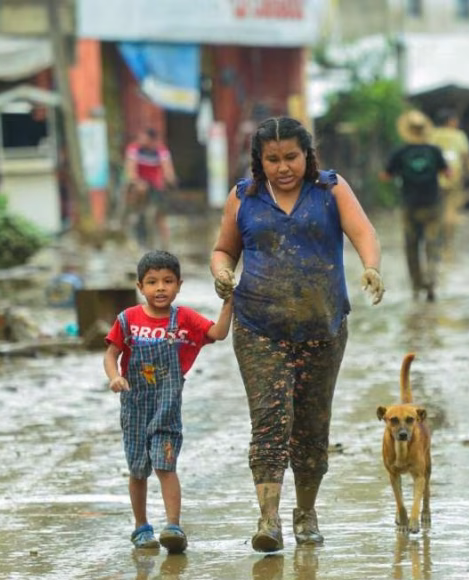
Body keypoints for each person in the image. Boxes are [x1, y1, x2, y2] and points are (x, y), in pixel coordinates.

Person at [209, 116, 384, 552]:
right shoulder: (243, 197)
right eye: (273, 159)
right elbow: (223, 249)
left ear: (307, 155)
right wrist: (222, 273)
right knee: (269, 422)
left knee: (310, 424)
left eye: (291, 157)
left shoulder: (330, 189)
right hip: (258, 326)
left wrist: (371, 267)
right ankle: (268, 520)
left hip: (323, 326)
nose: (283, 166)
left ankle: (306, 511)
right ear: (259, 161)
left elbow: (363, 231)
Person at [103, 250, 233, 552]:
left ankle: (173, 526)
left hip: (167, 409)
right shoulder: (127, 320)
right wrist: (114, 377)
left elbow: (218, 333)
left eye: (167, 281)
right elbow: (111, 355)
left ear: (179, 285)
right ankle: (141, 527)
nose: (160, 288)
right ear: (140, 287)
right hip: (134, 409)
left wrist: (229, 303)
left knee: (165, 465)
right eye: (152, 282)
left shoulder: (185, 318)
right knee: (138, 470)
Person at [381, 110, 448, 301]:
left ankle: (416, 286)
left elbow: (386, 175)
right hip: (432, 204)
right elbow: (447, 172)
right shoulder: (434, 151)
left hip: (409, 205)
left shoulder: (400, 152)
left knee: (412, 246)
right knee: (432, 244)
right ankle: (431, 280)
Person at [125, 128, 178, 249]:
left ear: (151, 140)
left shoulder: (161, 151)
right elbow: (130, 169)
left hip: (156, 184)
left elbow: (168, 169)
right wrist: (136, 181)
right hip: (139, 184)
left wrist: (170, 180)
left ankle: (166, 245)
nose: (140, 140)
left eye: (143, 138)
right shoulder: (134, 149)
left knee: (160, 216)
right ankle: (136, 217)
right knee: (140, 191)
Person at [429, 109, 469, 255]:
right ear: (450, 121)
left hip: (433, 177)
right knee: (450, 210)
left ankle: (434, 241)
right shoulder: (459, 135)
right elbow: (466, 156)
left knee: (435, 209)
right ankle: (448, 244)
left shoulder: (431, 134)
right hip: (453, 176)